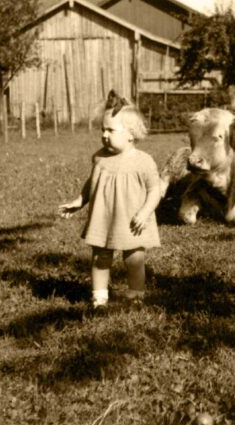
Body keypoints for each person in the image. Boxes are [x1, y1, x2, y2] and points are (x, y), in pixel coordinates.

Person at [58, 94, 161, 308]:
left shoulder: (143, 162)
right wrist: (80, 200)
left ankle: (135, 295)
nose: (104, 135)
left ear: (131, 135)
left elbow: (155, 190)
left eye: (111, 131)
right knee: (100, 258)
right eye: (102, 130)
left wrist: (145, 212)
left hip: (132, 219)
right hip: (104, 217)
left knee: (134, 259)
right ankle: (99, 297)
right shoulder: (100, 157)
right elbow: (92, 181)